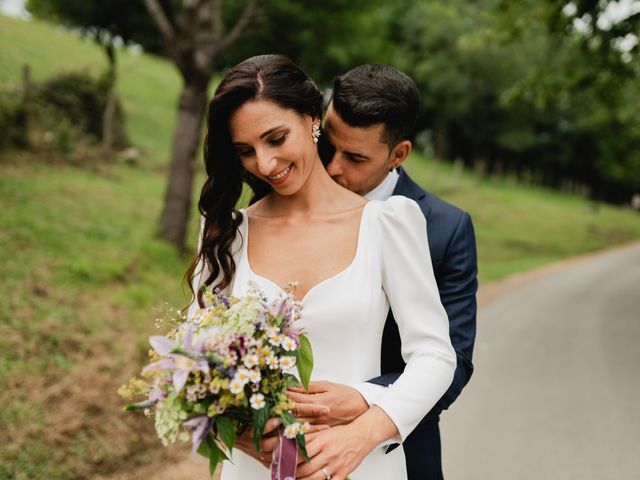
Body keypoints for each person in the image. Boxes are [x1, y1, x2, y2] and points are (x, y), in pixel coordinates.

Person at [186, 55, 456, 480]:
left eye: (276, 138)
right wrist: (240, 432)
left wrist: (363, 434)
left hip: (358, 465)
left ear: (313, 119)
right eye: (245, 151)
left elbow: (435, 355)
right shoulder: (227, 234)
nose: (265, 164)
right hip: (255, 469)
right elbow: (195, 360)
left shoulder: (387, 223)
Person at [288, 64, 478, 480]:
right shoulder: (285, 204)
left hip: (400, 453)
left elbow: (455, 361)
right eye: (327, 146)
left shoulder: (445, 229)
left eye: (355, 157)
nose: (334, 168)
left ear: (399, 154)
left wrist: (362, 399)